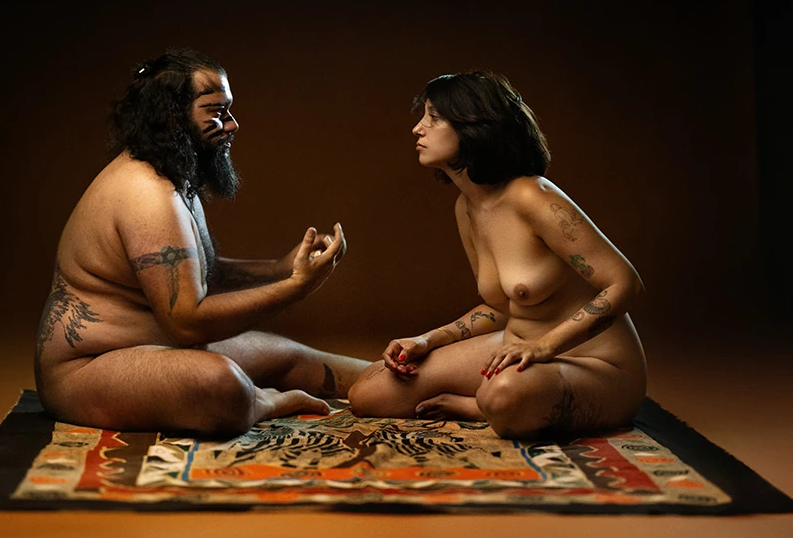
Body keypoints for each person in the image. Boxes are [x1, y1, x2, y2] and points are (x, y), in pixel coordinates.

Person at [35, 48, 369, 436]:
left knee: (290, 356)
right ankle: (263, 401)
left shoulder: (175, 178)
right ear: (172, 116)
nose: (232, 124)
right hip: (88, 367)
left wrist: (281, 269)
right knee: (221, 383)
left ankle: (402, 381)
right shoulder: (146, 193)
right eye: (216, 112)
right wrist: (296, 288)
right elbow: (186, 324)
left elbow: (199, 275)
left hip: (158, 350)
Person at [348, 70, 647, 439]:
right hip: (517, 351)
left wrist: (545, 346)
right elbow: (503, 307)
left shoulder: (534, 197)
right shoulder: (467, 207)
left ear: (473, 126)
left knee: (503, 394)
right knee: (369, 392)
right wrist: (428, 339)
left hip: (597, 365)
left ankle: (482, 406)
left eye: (434, 117)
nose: (418, 128)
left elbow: (625, 283)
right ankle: (492, 400)